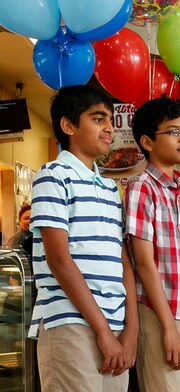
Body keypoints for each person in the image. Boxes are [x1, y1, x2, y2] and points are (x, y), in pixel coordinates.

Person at [28, 84, 138, 391]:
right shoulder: (52, 175)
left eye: (110, 121)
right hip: (70, 322)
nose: (108, 129)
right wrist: (102, 332)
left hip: (115, 327)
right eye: (98, 119)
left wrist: (130, 331)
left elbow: (122, 262)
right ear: (68, 125)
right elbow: (59, 260)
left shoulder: (108, 188)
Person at [124, 97, 180, 391]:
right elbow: (144, 263)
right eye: (174, 132)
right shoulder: (141, 187)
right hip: (158, 313)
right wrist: (168, 329)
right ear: (148, 142)